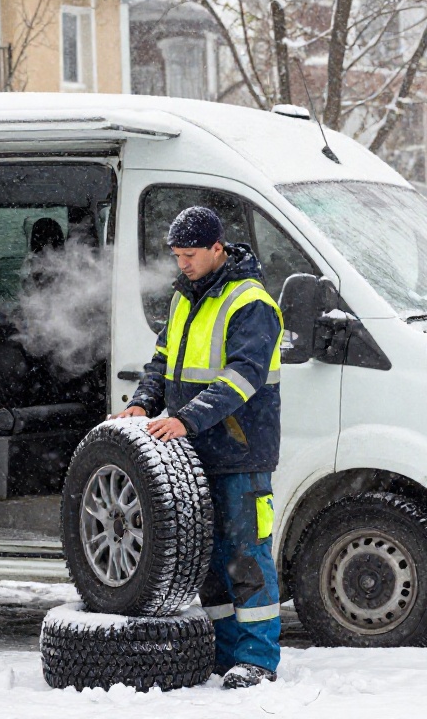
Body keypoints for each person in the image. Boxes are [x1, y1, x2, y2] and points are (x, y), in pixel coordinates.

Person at [112, 206, 283, 689]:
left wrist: (185, 419)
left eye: (190, 256)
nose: (182, 264)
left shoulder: (251, 302)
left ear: (216, 248)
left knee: (247, 555)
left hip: (242, 453)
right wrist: (144, 403)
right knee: (207, 559)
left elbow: (242, 377)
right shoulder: (184, 296)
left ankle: (258, 659)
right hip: (191, 455)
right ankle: (225, 651)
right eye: (177, 256)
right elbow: (164, 360)